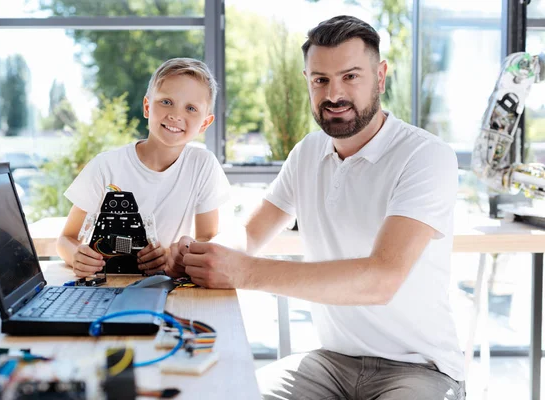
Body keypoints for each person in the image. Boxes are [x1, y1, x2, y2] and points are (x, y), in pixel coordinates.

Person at [174, 15, 465, 400]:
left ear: (380, 76)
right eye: (320, 80)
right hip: (331, 363)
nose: (333, 94)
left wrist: (244, 272)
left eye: (351, 76)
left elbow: (382, 279)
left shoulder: (426, 156)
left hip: (420, 370)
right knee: (230, 392)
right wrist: (205, 254)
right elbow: (250, 233)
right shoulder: (308, 153)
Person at [57, 58, 230, 278]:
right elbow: (66, 239)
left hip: (167, 287)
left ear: (205, 123)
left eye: (191, 108)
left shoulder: (203, 165)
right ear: (147, 106)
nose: (176, 115)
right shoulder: (105, 166)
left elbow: (207, 238)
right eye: (166, 102)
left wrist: (173, 256)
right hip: (109, 285)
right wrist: (76, 257)